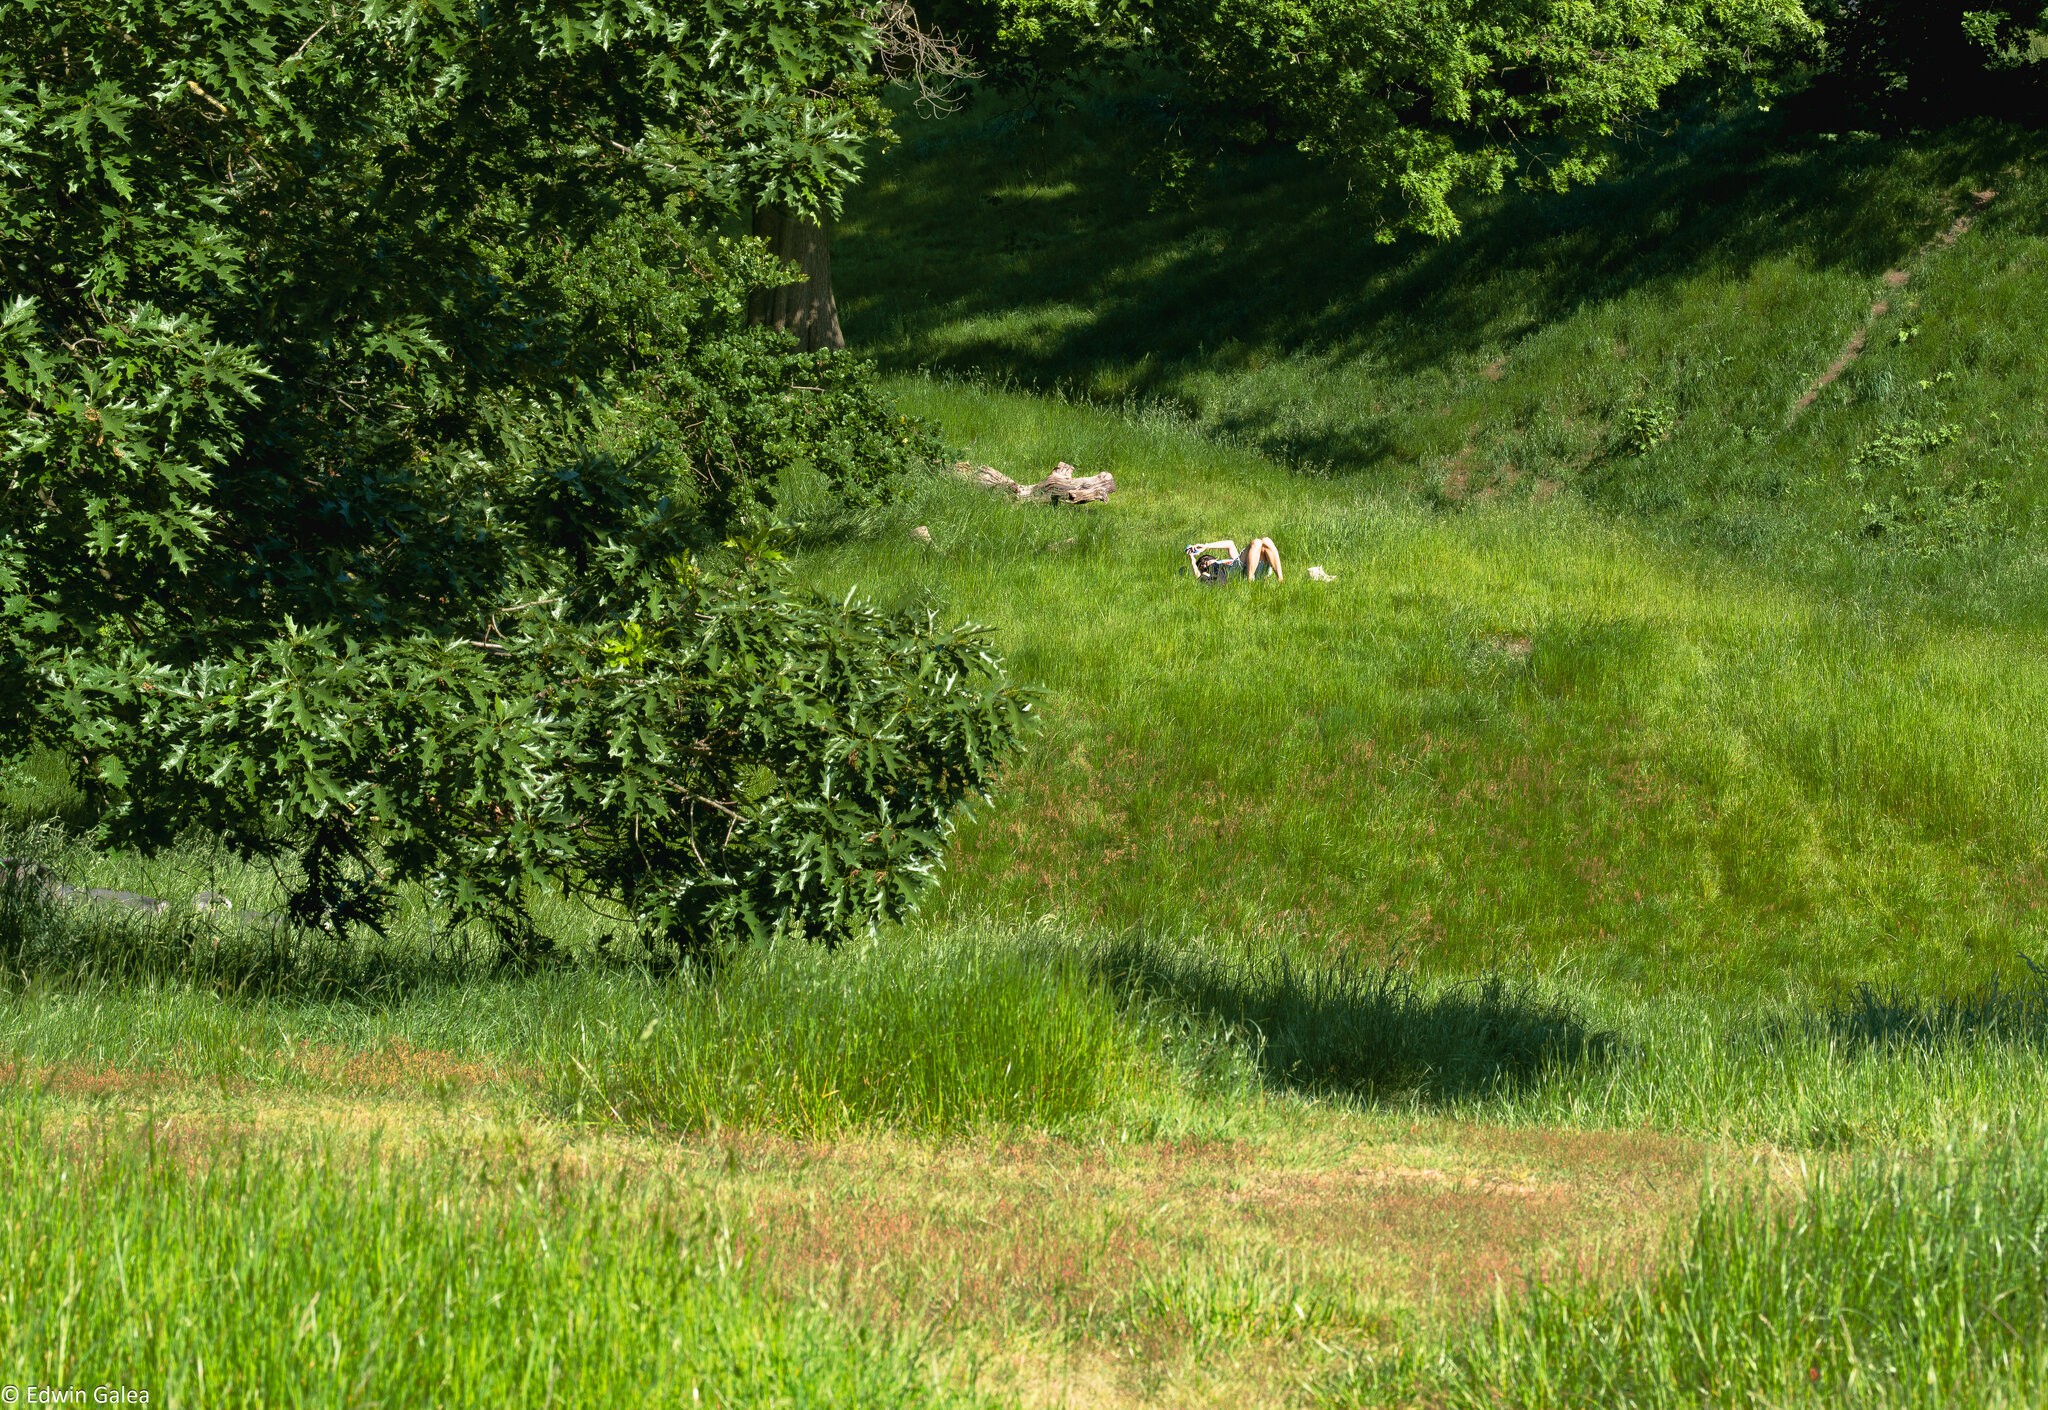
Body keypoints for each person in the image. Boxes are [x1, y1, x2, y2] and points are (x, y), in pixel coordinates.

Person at [1185, 537, 1283, 584]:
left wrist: (1206, 546)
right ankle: (1249, 582)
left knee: (1266, 540)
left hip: (1253, 567)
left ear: (1215, 558)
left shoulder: (1231, 560)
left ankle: (1281, 580)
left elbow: (1230, 544)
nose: (1204, 563)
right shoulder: (1214, 570)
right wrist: (1192, 559)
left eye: (1206, 559)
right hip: (1232, 573)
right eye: (1202, 565)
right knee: (1257, 542)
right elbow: (1198, 576)